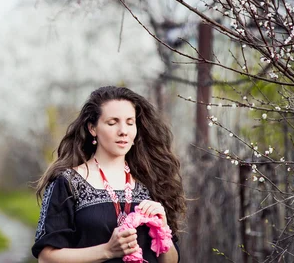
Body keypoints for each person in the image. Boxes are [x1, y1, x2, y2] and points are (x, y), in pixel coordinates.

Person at [32, 86, 185, 263]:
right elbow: (46, 258)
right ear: (93, 129)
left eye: (130, 122)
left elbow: (171, 261)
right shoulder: (68, 182)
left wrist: (163, 229)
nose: (123, 131)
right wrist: (107, 250)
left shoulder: (150, 180)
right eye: (112, 123)